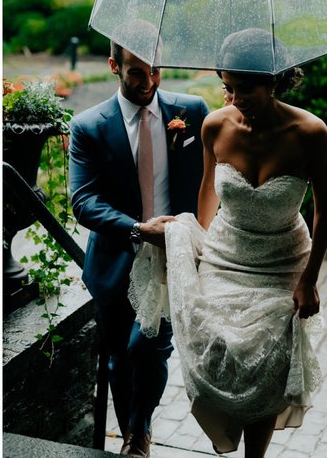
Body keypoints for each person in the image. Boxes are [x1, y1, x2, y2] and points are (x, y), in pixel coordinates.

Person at [129, 28, 327, 457]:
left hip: (283, 264)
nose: (235, 97)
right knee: (221, 355)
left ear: (274, 81)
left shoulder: (311, 133)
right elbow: (208, 190)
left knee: (267, 363)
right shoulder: (214, 126)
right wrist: (195, 247)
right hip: (226, 257)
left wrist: (309, 280)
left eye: (246, 89)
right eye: (228, 86)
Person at [69, 39, 210, 458]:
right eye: (135, 71)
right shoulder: (89, 126)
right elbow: (84, 200)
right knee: (117, 357)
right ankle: (133, 431)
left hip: (173, 258)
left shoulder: (192, 112)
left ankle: (137, 433)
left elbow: (215, 174)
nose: (148, 81)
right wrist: (136, 228)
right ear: (114, 65)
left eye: (155, 70)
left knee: (148, 347)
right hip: (117, 258)